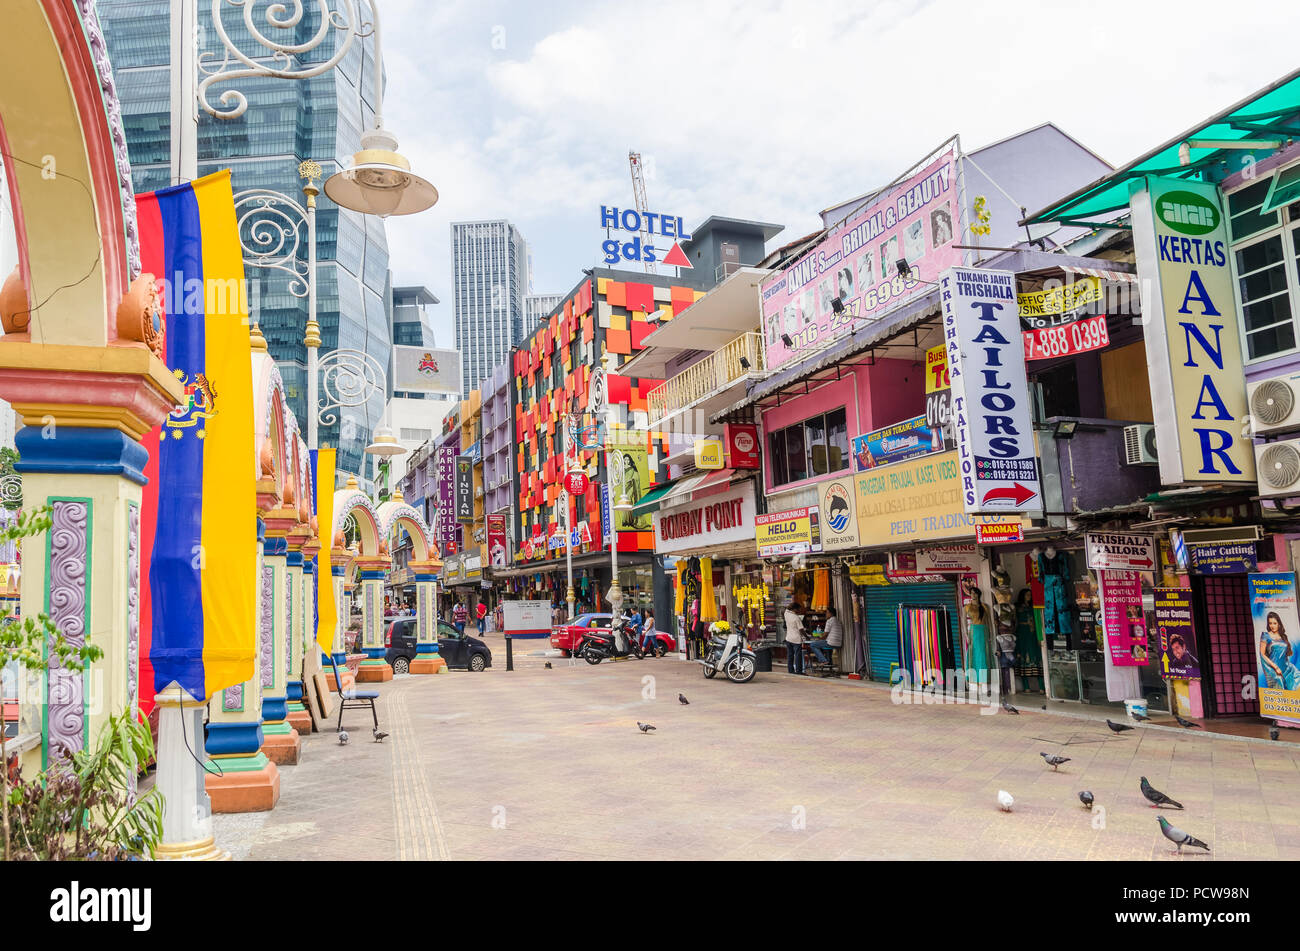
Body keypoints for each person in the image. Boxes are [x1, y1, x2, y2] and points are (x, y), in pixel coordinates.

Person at [1259, 611, 1299, 690]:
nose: (1272, 626)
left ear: (1279, 624)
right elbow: (1262, 654)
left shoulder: (1283, 636)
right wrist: (1275, 667)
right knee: (1280, 691)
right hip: (1274, 669)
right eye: (1270, 623)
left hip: (1287, 668)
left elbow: (1285, 654)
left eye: (1275, 623)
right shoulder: (1265, 635)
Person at [784, 602, 806, 675]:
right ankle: (798, 671)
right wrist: (807, 636)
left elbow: (786, 610)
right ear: (795, 609)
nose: (799, 611)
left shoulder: (786, 614)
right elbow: (801, 629)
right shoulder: (796, 618)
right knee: (797, 656)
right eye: (799, 609)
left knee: (790, 655)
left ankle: (790, 670)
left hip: (788, 638)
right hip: (796, 639)